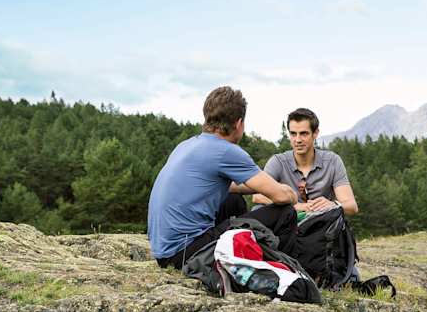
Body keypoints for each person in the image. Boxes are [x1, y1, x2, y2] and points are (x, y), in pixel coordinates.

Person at [147, 86, 298, 269]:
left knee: (233, 201)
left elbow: (228, 187)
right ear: (239, 123)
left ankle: (244, 258)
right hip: (187, 253)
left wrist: (255, 186)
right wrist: (290, 193)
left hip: (165, 253)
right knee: (285, 213)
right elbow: (281, 197)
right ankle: (283, 270)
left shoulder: (187, 145)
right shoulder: (226, 151)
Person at [253, 108, 359, 216]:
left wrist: (333, 205)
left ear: (315, 133)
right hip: (287, 224)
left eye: (304, 134)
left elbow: (351, 206)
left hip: (321, 224)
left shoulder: (332, 161)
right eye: (293, 134)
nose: (298, 140)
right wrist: (296, 206)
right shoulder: (278, 162)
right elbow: (258, 197)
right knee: (258, 209)